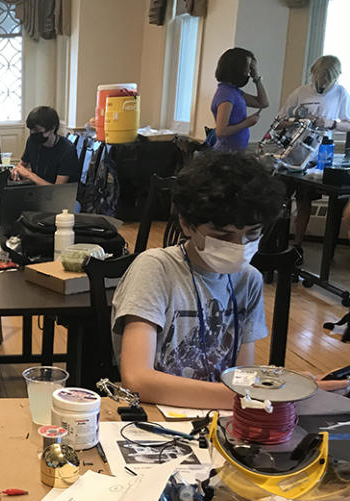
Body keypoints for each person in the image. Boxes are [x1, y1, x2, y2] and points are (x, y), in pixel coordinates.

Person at [111, 152, 348, 409]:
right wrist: (266, 397)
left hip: (219, 417)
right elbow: (137, 380)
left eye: (252, 234)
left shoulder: (248, 280)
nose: (239, 246)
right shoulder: (156, 269)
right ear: (187, 225)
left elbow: (240, 376)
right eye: (222, 236)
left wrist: (281, 385)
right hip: (156, 413)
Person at [276, 56, 350, 251]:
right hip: (292, 152)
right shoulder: (300, 93)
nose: (322, 84)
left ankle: (297, 245)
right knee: (279, 198)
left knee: (304, 201)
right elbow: (279, 121)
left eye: (327, 80)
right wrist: (300, 120)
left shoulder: (340, 93)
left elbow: (347, 124)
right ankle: (275, 242)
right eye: (319, 79)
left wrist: (330, 124)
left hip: (316, 155)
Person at [210, 47, 268, 151]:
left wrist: (256, 78)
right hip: (226, 153)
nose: (248, 72)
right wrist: (247, 123)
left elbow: (262, 103)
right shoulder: (226, 94)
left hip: (235, 152)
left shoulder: (234, 92)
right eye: (247, 68)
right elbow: (221, 131)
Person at [10, 106, 78, 185]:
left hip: (60, 195)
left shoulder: (67, 150)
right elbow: (21, 165)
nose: (32, 133)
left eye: (37, 130)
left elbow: (57, 191)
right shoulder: (32, 141)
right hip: (38, 191)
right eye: (31, 130)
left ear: (52, 128)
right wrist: (16, 171)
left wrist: (29, 175)